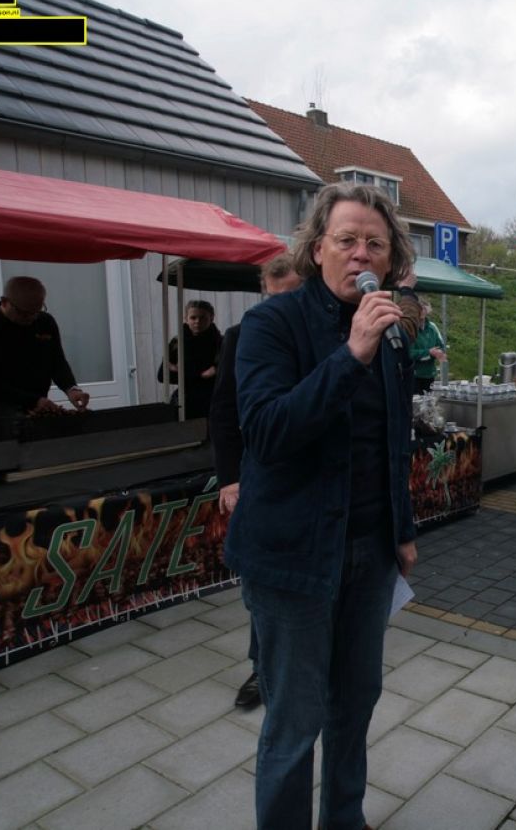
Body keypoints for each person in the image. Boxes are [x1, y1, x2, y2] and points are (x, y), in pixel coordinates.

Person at [224, 183, 419, 829]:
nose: (361, 254)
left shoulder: (390, 333)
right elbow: (267, 432)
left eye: (376, 244)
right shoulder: (271, 324)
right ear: (316, 249)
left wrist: (402, 529)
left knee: (355, 703)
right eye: (347, 240)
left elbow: (393, 440)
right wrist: (351, 354)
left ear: (390, 260)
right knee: (295, 718)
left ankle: (344, 819)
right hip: (292, 558)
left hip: (369, 551)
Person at [210, 252, 303, 712]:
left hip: (310, 476)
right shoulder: (241, 334)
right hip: (262, 474)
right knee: (265, 576)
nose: (282, 306)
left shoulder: (321, 333)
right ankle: (261, 667)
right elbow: (224, 410)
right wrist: (229, 478)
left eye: (292, 296)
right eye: (274, 297)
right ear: (264, 292)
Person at [0, 276, 89, 444]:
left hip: (34, 412)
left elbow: (57, 361)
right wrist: (33, 400)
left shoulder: (45, 322)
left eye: (37, 310)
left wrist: (71, 388)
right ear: (5, 302)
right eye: (24, 313)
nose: (31, 317)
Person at [159, 300, 223, 420]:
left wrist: (181, 371)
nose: (197, 321)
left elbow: (226, 374)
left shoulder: (221, 343)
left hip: (213, 402)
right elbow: (163, 375)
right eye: (193, 318)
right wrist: (202, 375)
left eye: (202, 318)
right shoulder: (177, 343)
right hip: (185, 403)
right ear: (186, 318)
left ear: (212, 318)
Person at [409, 299, 447, 394]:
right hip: (413, 375)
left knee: (429, 401)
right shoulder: (409, 328)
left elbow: (441, 346)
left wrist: (439, 353)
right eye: (418, 308)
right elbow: (408, 353)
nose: (421, 311)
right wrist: (429, 352)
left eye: (423, 308)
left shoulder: (432, 327)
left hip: (430, 375)